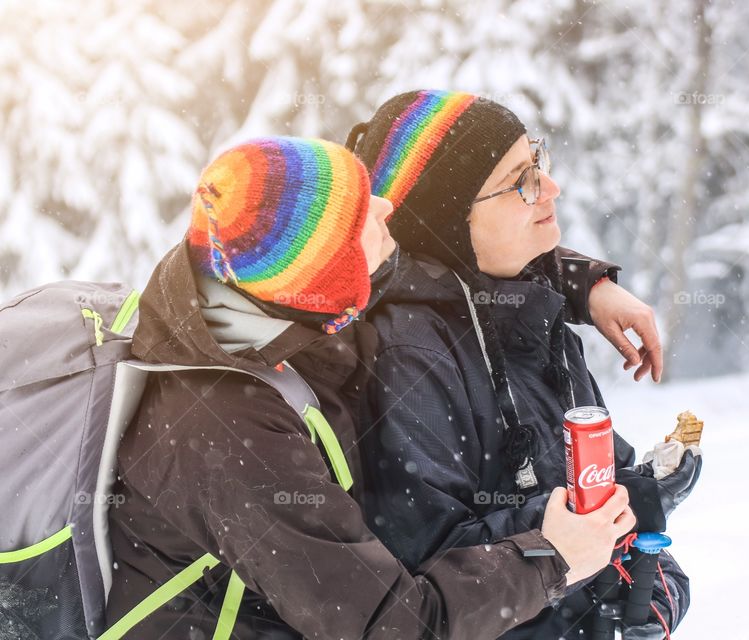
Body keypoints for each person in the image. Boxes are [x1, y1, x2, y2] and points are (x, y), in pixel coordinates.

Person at [105, 136, 638, 639]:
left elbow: (450, 264)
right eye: (361, 211)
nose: (386, 207)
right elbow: (390, 624)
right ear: (326, 268)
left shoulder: (275, 301)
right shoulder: (227, 431)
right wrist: (551, 556)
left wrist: (583, 286)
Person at [349, 91, 701, 639]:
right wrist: (599, 535)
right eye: (521, 180)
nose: (551, 188)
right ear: (449, 219)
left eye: (538, 162)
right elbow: (434, 569)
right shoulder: (412, 357)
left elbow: (593, 484)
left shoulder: (536, 312)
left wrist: (652, 590)